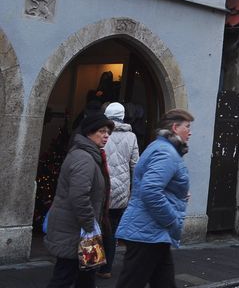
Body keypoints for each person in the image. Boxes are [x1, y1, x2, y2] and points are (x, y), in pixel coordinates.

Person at [115, 109, 193, 287]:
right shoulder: (166, 152)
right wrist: (171, 220)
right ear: (175, 128)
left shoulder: (163, 148)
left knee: (164, 282)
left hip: (154, 233)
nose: (190, 131)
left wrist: (177, 195)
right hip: (148, 232)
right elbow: (150, 191)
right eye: (187, 127)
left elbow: (155, 186)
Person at [45, 111, 114, 288]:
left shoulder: (89, 154)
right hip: (76, 232)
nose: (106, 136)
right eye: (102, 131)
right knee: (65, 276)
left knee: (86, 276)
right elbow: (79, 196)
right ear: (89, 132)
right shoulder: (84, 158)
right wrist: (90, 225)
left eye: (108, 132)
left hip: (81, 232)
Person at [97, 103, 139, 279]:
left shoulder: (102, 133)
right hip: (120, 192)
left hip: (101, 189)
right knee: (112, 232)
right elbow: (136, 165)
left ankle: (91, 263)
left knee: (95, 228)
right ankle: (106, 269)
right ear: (123, 116)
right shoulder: (131, 137)